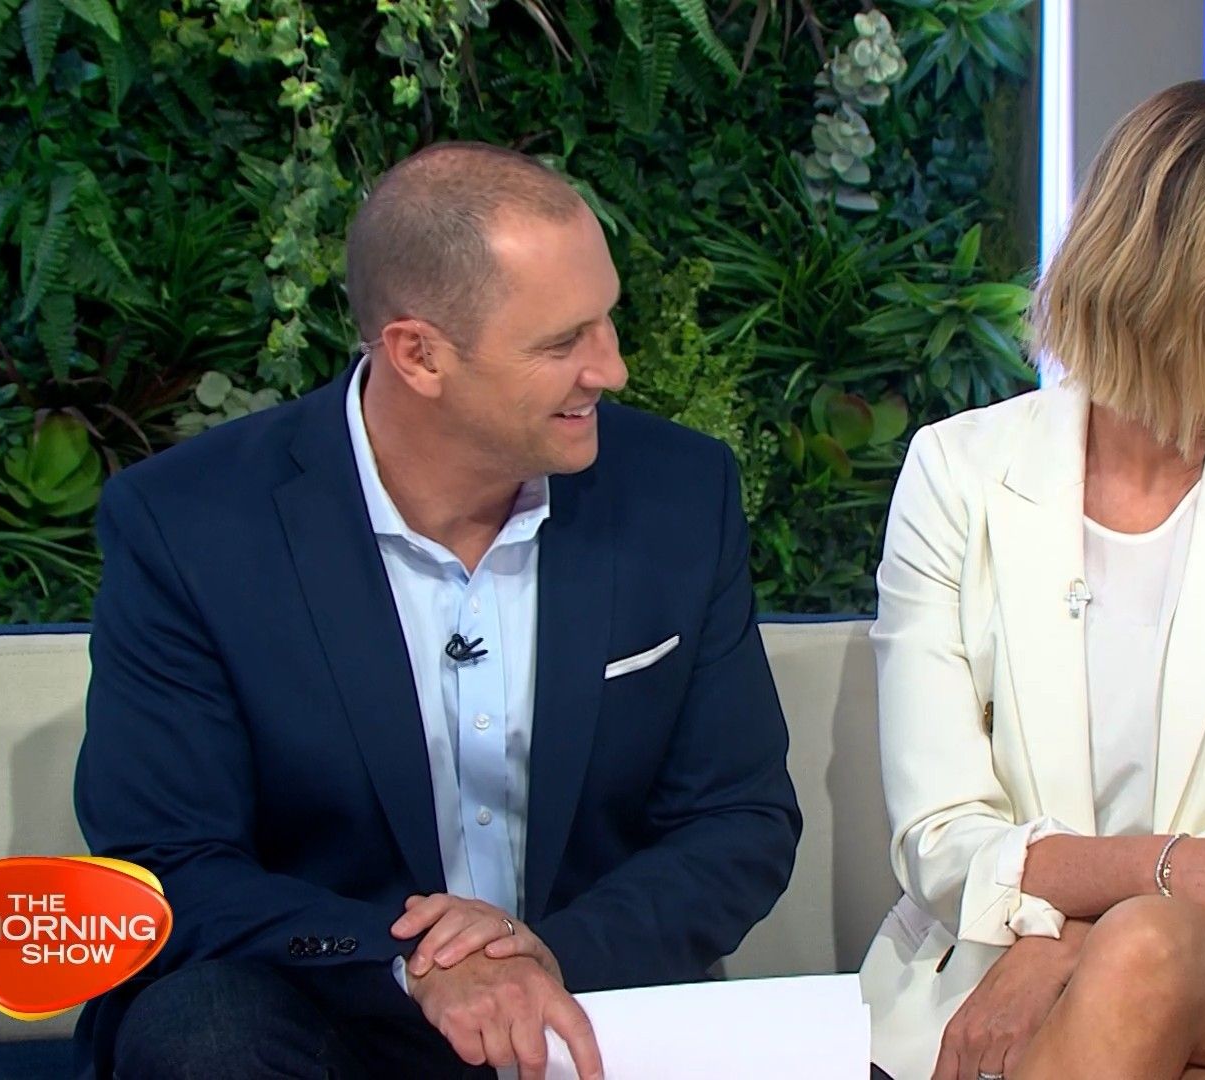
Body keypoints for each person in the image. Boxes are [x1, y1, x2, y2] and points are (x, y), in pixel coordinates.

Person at [73, 142, 802, 1079]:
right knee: (202, 1037)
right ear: (418, 354)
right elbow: (163, 864)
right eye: (562, 343)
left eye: (607, 321)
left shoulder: (679, 492)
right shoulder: (191, 525)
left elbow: (738, 818)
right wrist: (422, 964)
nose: (612, 369)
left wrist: (540, 960)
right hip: (329, 1004)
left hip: (588, 994)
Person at [860, 81, 1205, 1080]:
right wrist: (1151, 882)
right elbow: (940, 833)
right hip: (994, 958)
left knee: (1144, 953)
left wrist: (1083, 941)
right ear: (1145, 263)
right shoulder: (958, 472)